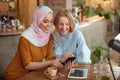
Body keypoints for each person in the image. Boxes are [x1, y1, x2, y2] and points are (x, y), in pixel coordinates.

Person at [5, 5, 62, 80]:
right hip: (16, 75)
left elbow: (49, 58)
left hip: (33, 73)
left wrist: (61, 60)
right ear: (37, 20)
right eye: (45, 21)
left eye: (51, 21)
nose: (49, 25)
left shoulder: (48, 36)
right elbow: (27, 65)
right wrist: (50, 62)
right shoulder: (25, 38)